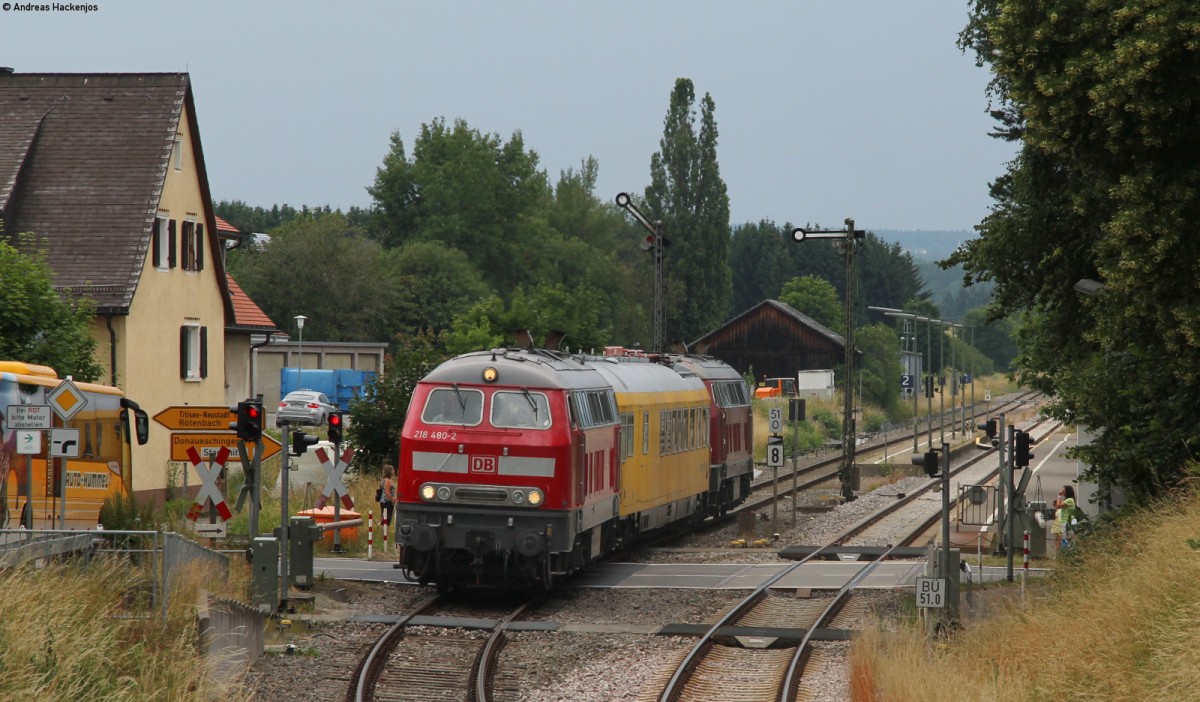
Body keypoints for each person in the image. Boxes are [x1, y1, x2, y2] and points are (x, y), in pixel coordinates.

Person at [1053, 485, 1077, 552]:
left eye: (1064, 490)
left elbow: (1058, 506)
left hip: (1067, 522)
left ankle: (1066, 553)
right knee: (1066, 538)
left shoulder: (1069, 500)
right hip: (1066, 521)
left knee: (1066, 539)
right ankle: (1065, 553)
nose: (1062, 491)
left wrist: (1059, 496)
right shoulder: (1068, 500)